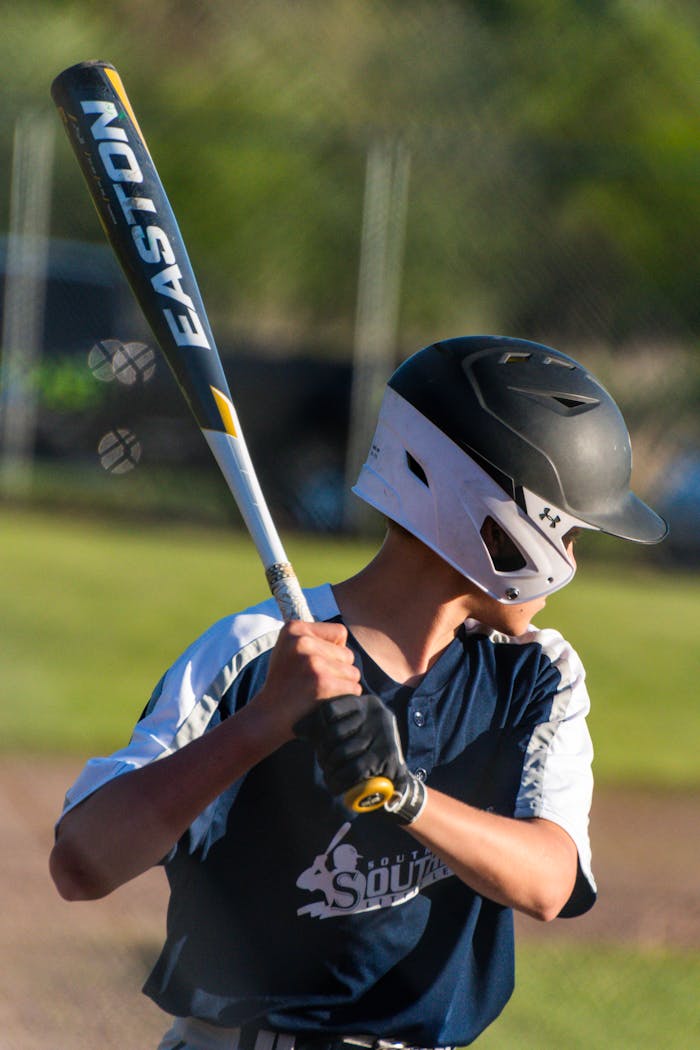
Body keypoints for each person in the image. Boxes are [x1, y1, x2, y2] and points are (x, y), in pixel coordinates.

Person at [50, 336, 667, 1050]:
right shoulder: (259, 651)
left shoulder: (536, 674)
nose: (573, 562)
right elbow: (82, 864)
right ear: (502, 527)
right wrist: (261, 725)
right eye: (571, 534)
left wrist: (405, 796)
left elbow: (548, 881)